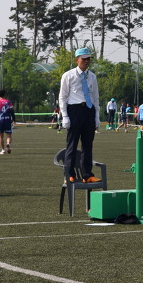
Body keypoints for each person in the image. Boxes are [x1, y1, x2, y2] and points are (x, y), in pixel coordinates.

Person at [58, 46, 101, 183]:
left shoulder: (92, 76)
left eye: (88, 59)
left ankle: (87, 175)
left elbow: (95, 97)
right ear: (77, 60)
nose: (87, 61)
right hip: (74, 110)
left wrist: (97, 116)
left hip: (89, 110)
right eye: (84, 59)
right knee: (72, 144)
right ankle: (69, 174)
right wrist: (65, 116)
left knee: (88, 144)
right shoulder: (68, 75)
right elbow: (63, 97)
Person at [0, 89, 15, 154]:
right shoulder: (8, 102)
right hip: (8, 120)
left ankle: (3, 150)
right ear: (5, 95)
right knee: (9, 135)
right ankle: (8, 143)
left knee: (0, 136)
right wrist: (14, 119)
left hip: (0, 121)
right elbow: (12, 111)